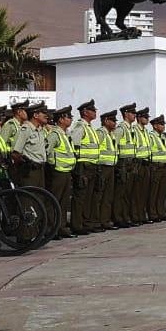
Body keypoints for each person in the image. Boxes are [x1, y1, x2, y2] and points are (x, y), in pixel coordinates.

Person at [69, 100, 100, 234]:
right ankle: (77, 225)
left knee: (88, 197)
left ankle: (86, 223)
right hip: (83, 166)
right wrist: (77, 167)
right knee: (80, 197)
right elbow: (74, 146)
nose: (95, 112)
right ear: (85, 112)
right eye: (92, 110)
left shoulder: (89, 127)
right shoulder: (80, 127)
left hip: (91, 166)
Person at [45, 106, 76, 237]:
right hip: (57, 172)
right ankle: (52, 229)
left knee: (63, 202)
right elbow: (46, 151)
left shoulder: (65, 134)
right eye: (69, 117)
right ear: (61, 119)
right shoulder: (55, 134)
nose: (71, 119)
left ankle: (61, 227)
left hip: (66, 172)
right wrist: (52, 164)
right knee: (54, 201)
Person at [95, 109, 119, 228]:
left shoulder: (111, 134)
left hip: (111, 166)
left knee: (108, 196)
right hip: (102, 166)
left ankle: (105, 220)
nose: (115, 123)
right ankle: (97, 220)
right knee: (99, 195)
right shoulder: (101, 133)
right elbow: (95, 149)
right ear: (105, 121)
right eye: (112, 120)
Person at [146, 115, 166, 221]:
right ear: (155, 126)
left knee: (162, 192)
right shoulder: (151, 136)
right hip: (155, 166)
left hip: (163, 166)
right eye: (161, 124)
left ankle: (161, 212)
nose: (163, 126)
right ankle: (153, 213)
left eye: (163, 124)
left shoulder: (163, 137)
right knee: (154, 192)